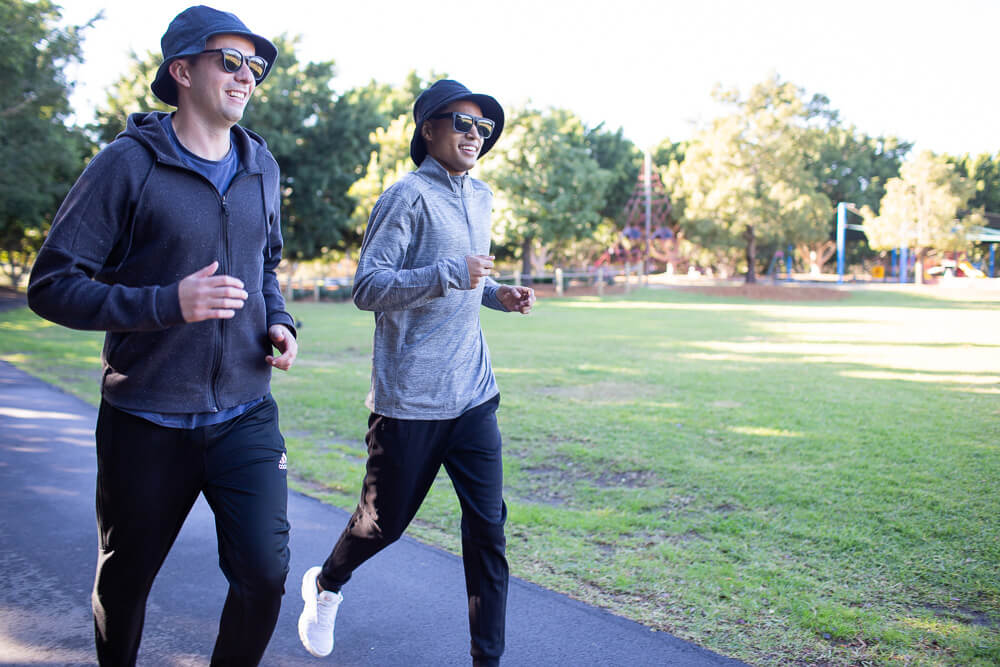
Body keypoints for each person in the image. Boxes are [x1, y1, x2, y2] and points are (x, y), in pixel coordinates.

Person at [27, 6, 296, 665]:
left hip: (244, 412)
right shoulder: (127, 164)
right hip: (145, 418)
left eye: (254, 66)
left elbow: (265, 264)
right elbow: (52, 282)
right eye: (228, 61)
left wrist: (279, 319)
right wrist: (166, 303)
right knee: (125, 585)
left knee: (264, 574)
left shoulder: (261, 164)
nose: (246, 76)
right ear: (182, 70)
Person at [297, 79, 534, 666]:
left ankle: (487, 659)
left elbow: (467, 281)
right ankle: (325, 584)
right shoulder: (405, 197)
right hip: (411, 401)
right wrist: (454, 272)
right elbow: (369, 288)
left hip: (474, 394)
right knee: (383, 525)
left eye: (483, 128)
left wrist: (497, 294)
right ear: (428, 128)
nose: (474, 135)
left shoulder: (480, 197)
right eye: (462, 123)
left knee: (489, 533)